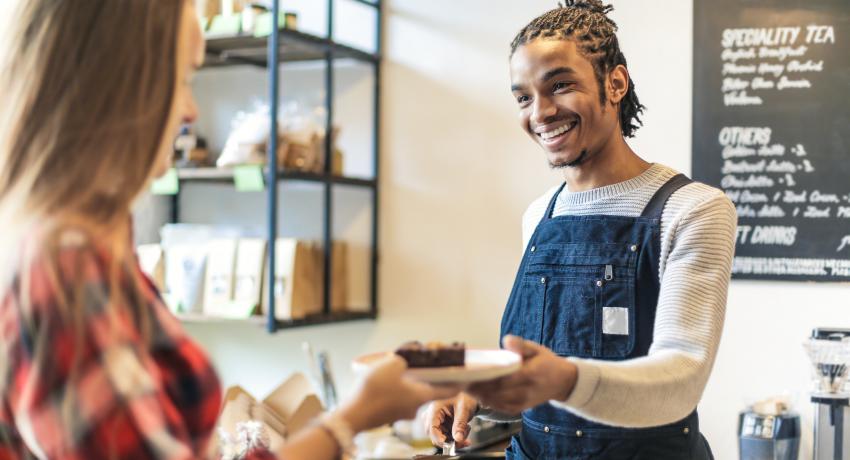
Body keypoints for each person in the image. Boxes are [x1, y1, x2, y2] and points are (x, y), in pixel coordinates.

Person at [0, 1, 457, 459]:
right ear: (120, 80)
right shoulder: (68, 265)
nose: (192, 111)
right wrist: (353, 417)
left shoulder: (94, 244)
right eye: (180, 78)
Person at [427, 1, 737, 459]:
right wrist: (482, 396)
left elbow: (680, 382)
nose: (541, 112)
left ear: (615, 83)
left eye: (560, 85)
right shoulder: (540, 216)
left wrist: (565, 379)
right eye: (523, 98)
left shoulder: (693, 209)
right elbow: (535, 384)